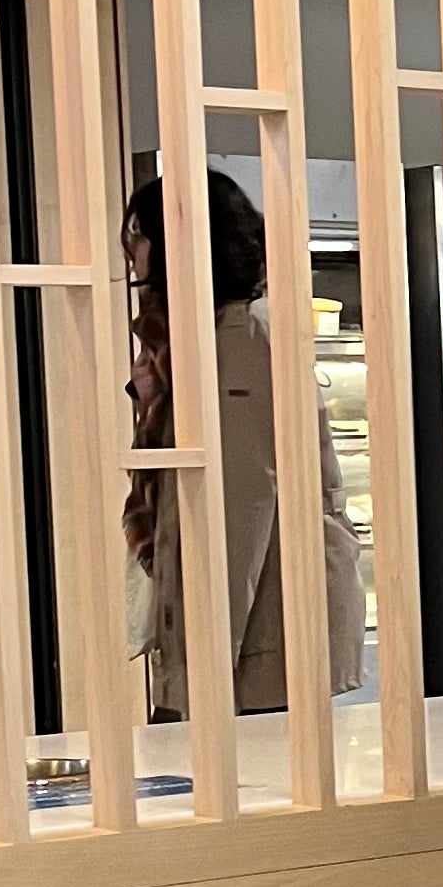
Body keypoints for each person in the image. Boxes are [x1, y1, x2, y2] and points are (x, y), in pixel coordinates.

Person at [122, 165, 364, 720]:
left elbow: (239, 506)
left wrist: (201, 676)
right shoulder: (201, 340)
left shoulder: (237, 341)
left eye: (141, 234)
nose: (133, 253)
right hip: (258, 632)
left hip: (262, 642)